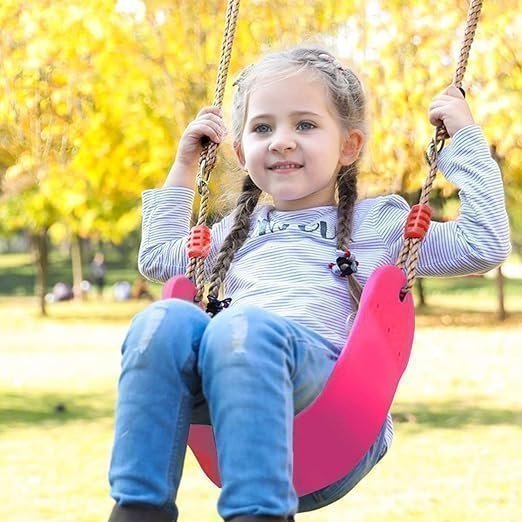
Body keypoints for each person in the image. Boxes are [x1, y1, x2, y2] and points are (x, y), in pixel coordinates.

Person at [107, 46, 511, 522]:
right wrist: (184, 167)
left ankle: (258, 514)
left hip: (333, 405)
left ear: (349, 145)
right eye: (262, 127)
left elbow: (484, 243)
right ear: (240, 151)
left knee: (244, 329)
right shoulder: (233, 230)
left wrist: (464, 140)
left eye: (304, 124)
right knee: (162, 321)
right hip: (232, 397)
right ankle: (139, 508)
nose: (280, 140)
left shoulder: (377, 223)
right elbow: (156, 258)